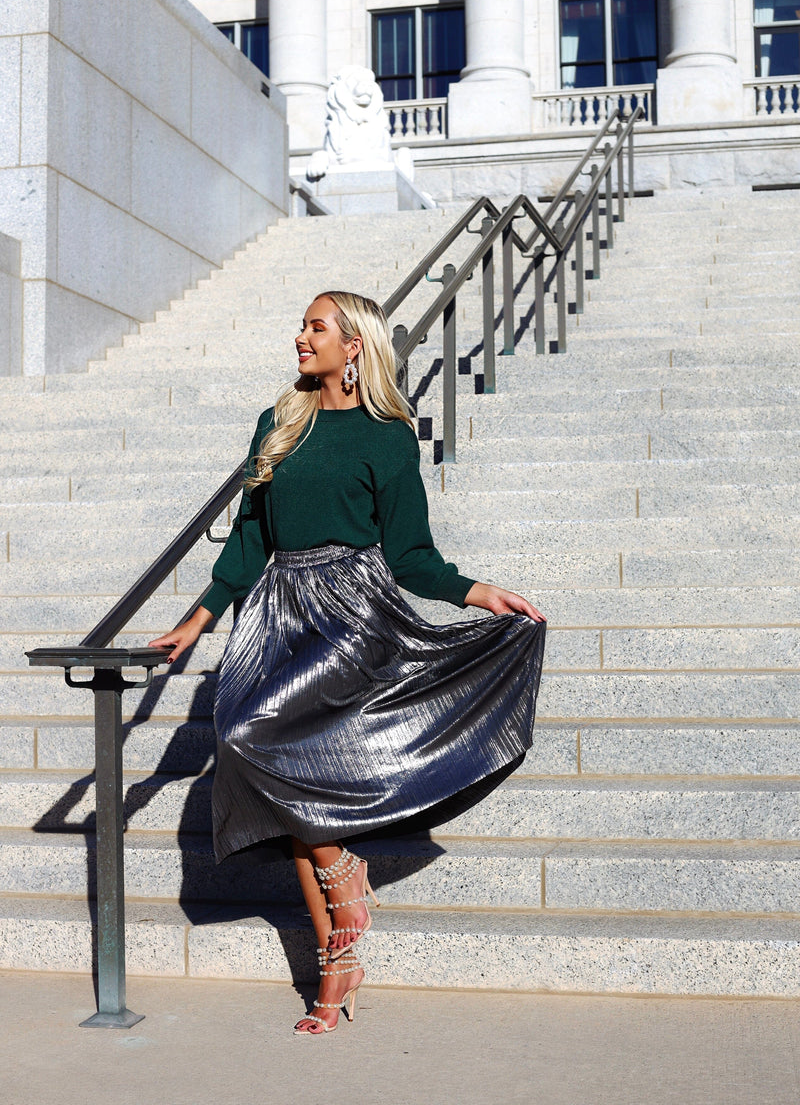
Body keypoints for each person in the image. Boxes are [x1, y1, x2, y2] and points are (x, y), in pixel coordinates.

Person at [150, 290, 547, 1035]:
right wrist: (194, 623)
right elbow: (249, 541)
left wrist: (478, 592)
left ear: (354, 345)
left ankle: (337, 921)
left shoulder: (387, 437)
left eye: (316, 327)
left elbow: (412, 555)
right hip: (278, 611)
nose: (301, 337)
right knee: (259, 752)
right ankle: (341, 930)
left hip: (351, 613)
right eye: (302, 325)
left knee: (264, 749)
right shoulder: (279, 423)